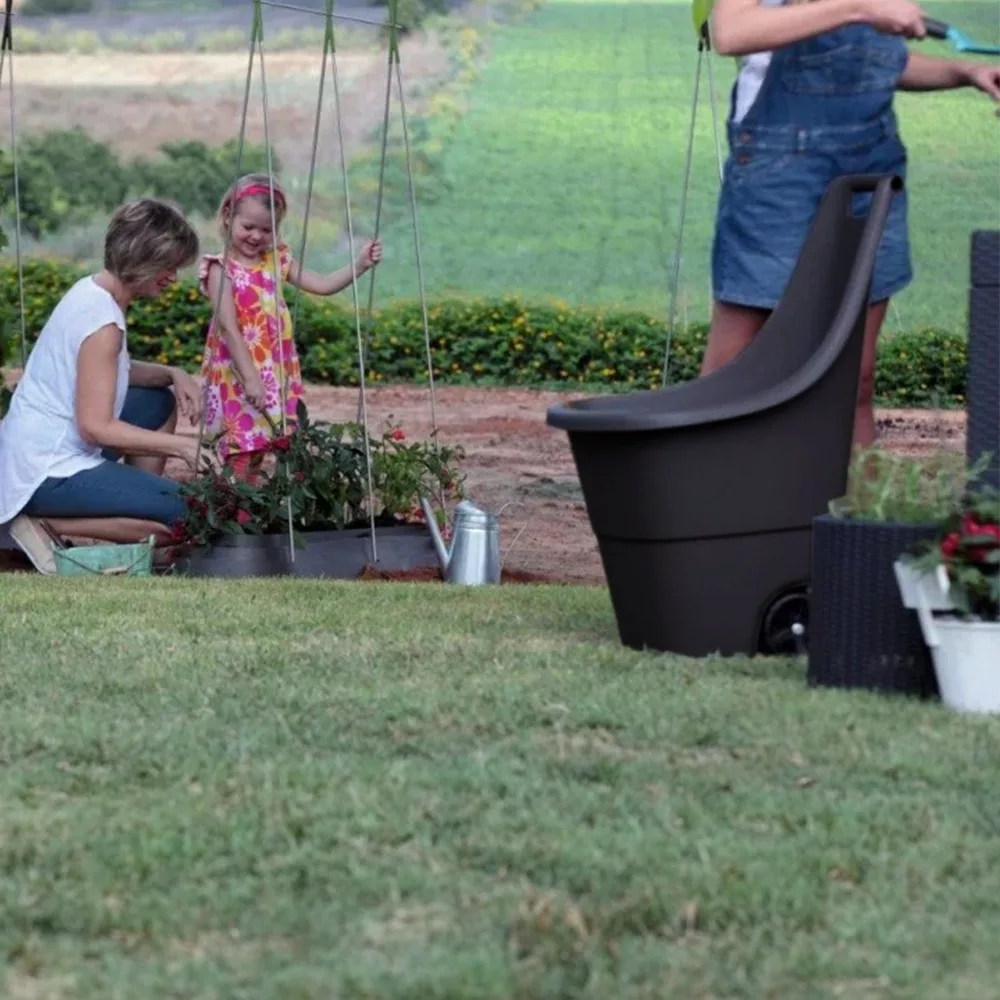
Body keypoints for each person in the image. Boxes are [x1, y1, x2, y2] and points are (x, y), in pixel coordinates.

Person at [706, 0, 1000, 448]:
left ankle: (855, 493)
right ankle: (708, 487)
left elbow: (870, 61)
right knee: (737, 369)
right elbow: (732, 32)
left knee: (855, 379)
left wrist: (964, 72)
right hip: (780, 168)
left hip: (873, 161)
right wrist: (860, 8)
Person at [0, 198, 203, 573]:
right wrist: (182, 446)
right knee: (192, 512)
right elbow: (95, 428)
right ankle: (39, 525)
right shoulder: (103, 325)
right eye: (168, 265)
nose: (174, 277)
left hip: (30, 451)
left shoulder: (91, 292)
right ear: (141, 258)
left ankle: (137, 500)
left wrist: (174, 373)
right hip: (45, 471)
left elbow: (111, 369)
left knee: (157, 401)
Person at [200, 173, 383, 484]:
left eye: (266, 230)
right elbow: (229, 328)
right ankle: (232, 508)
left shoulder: (276, 260)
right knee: (240, 450)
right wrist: (251, 378)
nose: (256, 236)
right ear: (228, 216)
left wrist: (359, 265)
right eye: (248, 227)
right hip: (238, 375)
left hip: (273, 373)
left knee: (261, 448)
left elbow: (322, 284)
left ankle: (246, 507)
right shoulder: (221, 269)